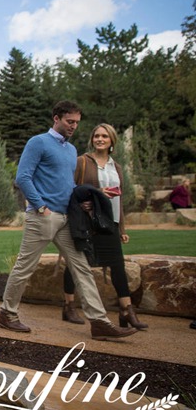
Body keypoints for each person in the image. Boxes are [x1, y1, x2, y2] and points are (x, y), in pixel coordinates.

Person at [0, 101, 136, 341]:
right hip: (43, 217)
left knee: (81, 266)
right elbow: (23, 177)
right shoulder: (38, 142)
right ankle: (7, 314)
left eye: (77, 123)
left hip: (67, 218)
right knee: (25, 266)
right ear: (56, 118)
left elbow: (68, 184)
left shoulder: (71, 151)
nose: (74, 126)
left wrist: (86, 199)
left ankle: (99, 322)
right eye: (70, 122)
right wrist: (40, 206)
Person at [62, 123, 147, 330]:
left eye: (104, 136)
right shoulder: (82, 161)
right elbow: (70, 188)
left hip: (110, 222)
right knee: (77, 262)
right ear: (92, 139)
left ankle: (126, 310)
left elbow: (120, 198)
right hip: (88, 221)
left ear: (111, 141)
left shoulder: (116, 166)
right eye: (97, 136)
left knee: (117, 265)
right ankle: (68, 305)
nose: (100, 139)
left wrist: (122, 229)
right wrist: (87, 199)